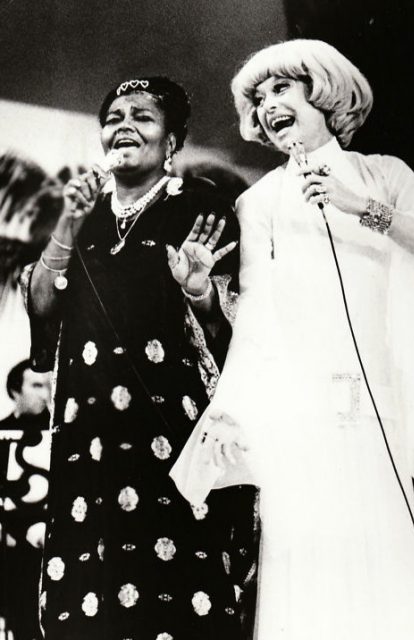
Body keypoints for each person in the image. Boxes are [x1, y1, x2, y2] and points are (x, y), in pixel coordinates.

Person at [171, 40, 414, 640]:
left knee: (384, 548)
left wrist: (357, 207)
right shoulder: (257, 201)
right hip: (303, 416)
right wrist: (204, 306)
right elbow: (259, 315)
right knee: (304, 563)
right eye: (258, 98)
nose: (267, 107)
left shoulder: (385, 175)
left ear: (323, 91)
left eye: (281, 89)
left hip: (378, 402)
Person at [21, 76, 255, 640]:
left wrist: (200, 290)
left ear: (172, 140)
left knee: (177, 581)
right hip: (88, 432)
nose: (124, 124)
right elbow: (44, 307)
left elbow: (236, 329)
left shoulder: (201, 209)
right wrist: (67, 223)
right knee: (89, 578)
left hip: (172, 430)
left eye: (143, 116)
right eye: (114, 115)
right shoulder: (85, 216)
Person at [0, 360, 51, 640]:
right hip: (12, 544)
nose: (45, 394)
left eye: (48, 386)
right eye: (36, 385)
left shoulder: (65, 436)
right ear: (14, 391)